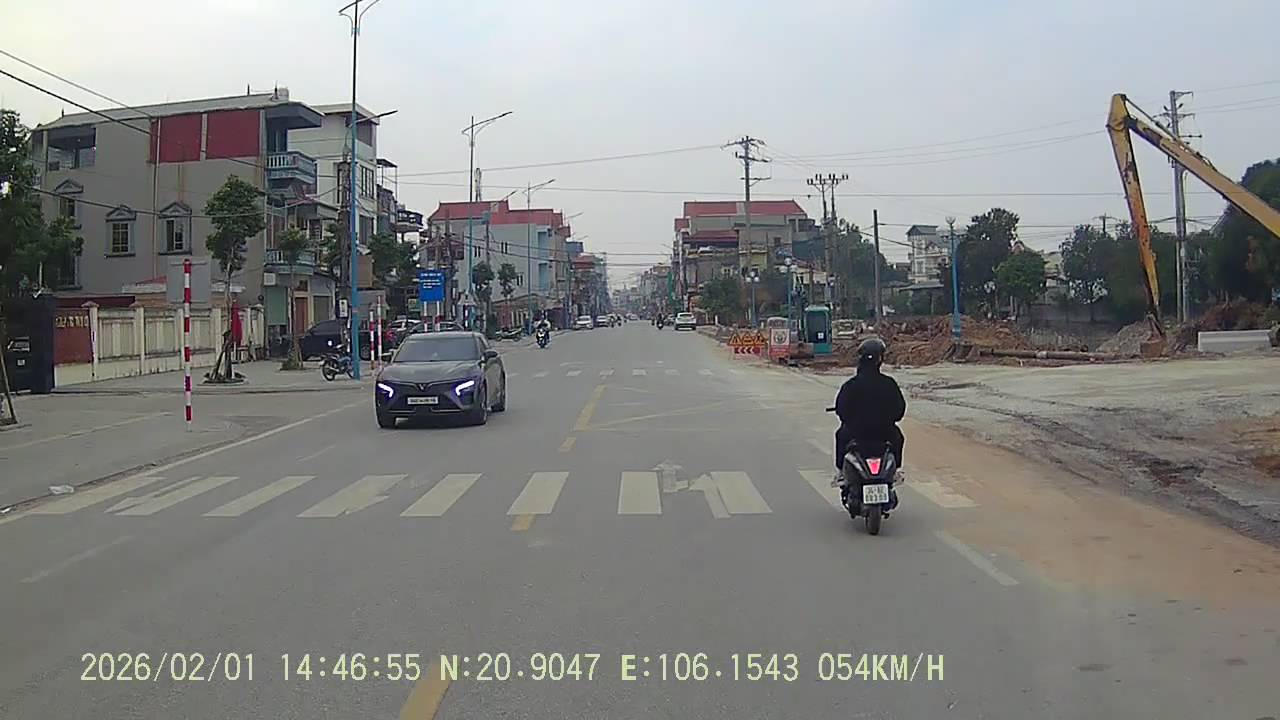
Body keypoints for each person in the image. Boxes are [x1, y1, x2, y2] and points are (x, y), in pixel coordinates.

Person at [833, 337, 906, 486]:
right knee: (898, 437)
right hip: (884, 432)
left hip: (855, 432)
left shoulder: (851, 385)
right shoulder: (889, 384)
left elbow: (841, 411)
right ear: (880, 360)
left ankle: (840, 473)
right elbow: (899, 411)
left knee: (840, 435)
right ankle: (895, 471)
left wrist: (853, 420)